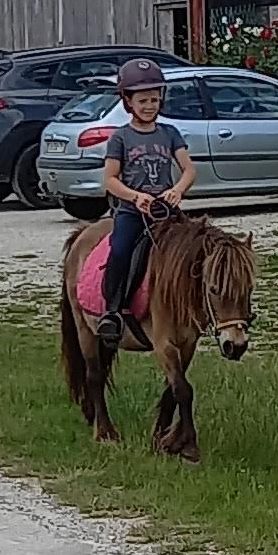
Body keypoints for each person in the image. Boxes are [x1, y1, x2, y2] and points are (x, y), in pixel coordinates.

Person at [98, 58, 196, 349]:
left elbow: (189, 169)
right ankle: (112, 311)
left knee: (194, 250)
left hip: (166, 212)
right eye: (142, 101)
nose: (150, 106)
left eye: (154, 99)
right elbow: (110, 179)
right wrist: (135, 196)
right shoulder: (120, 138)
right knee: (120, 251)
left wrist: (178, 190)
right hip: (132, 212)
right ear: (128, 101)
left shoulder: (170, 133)